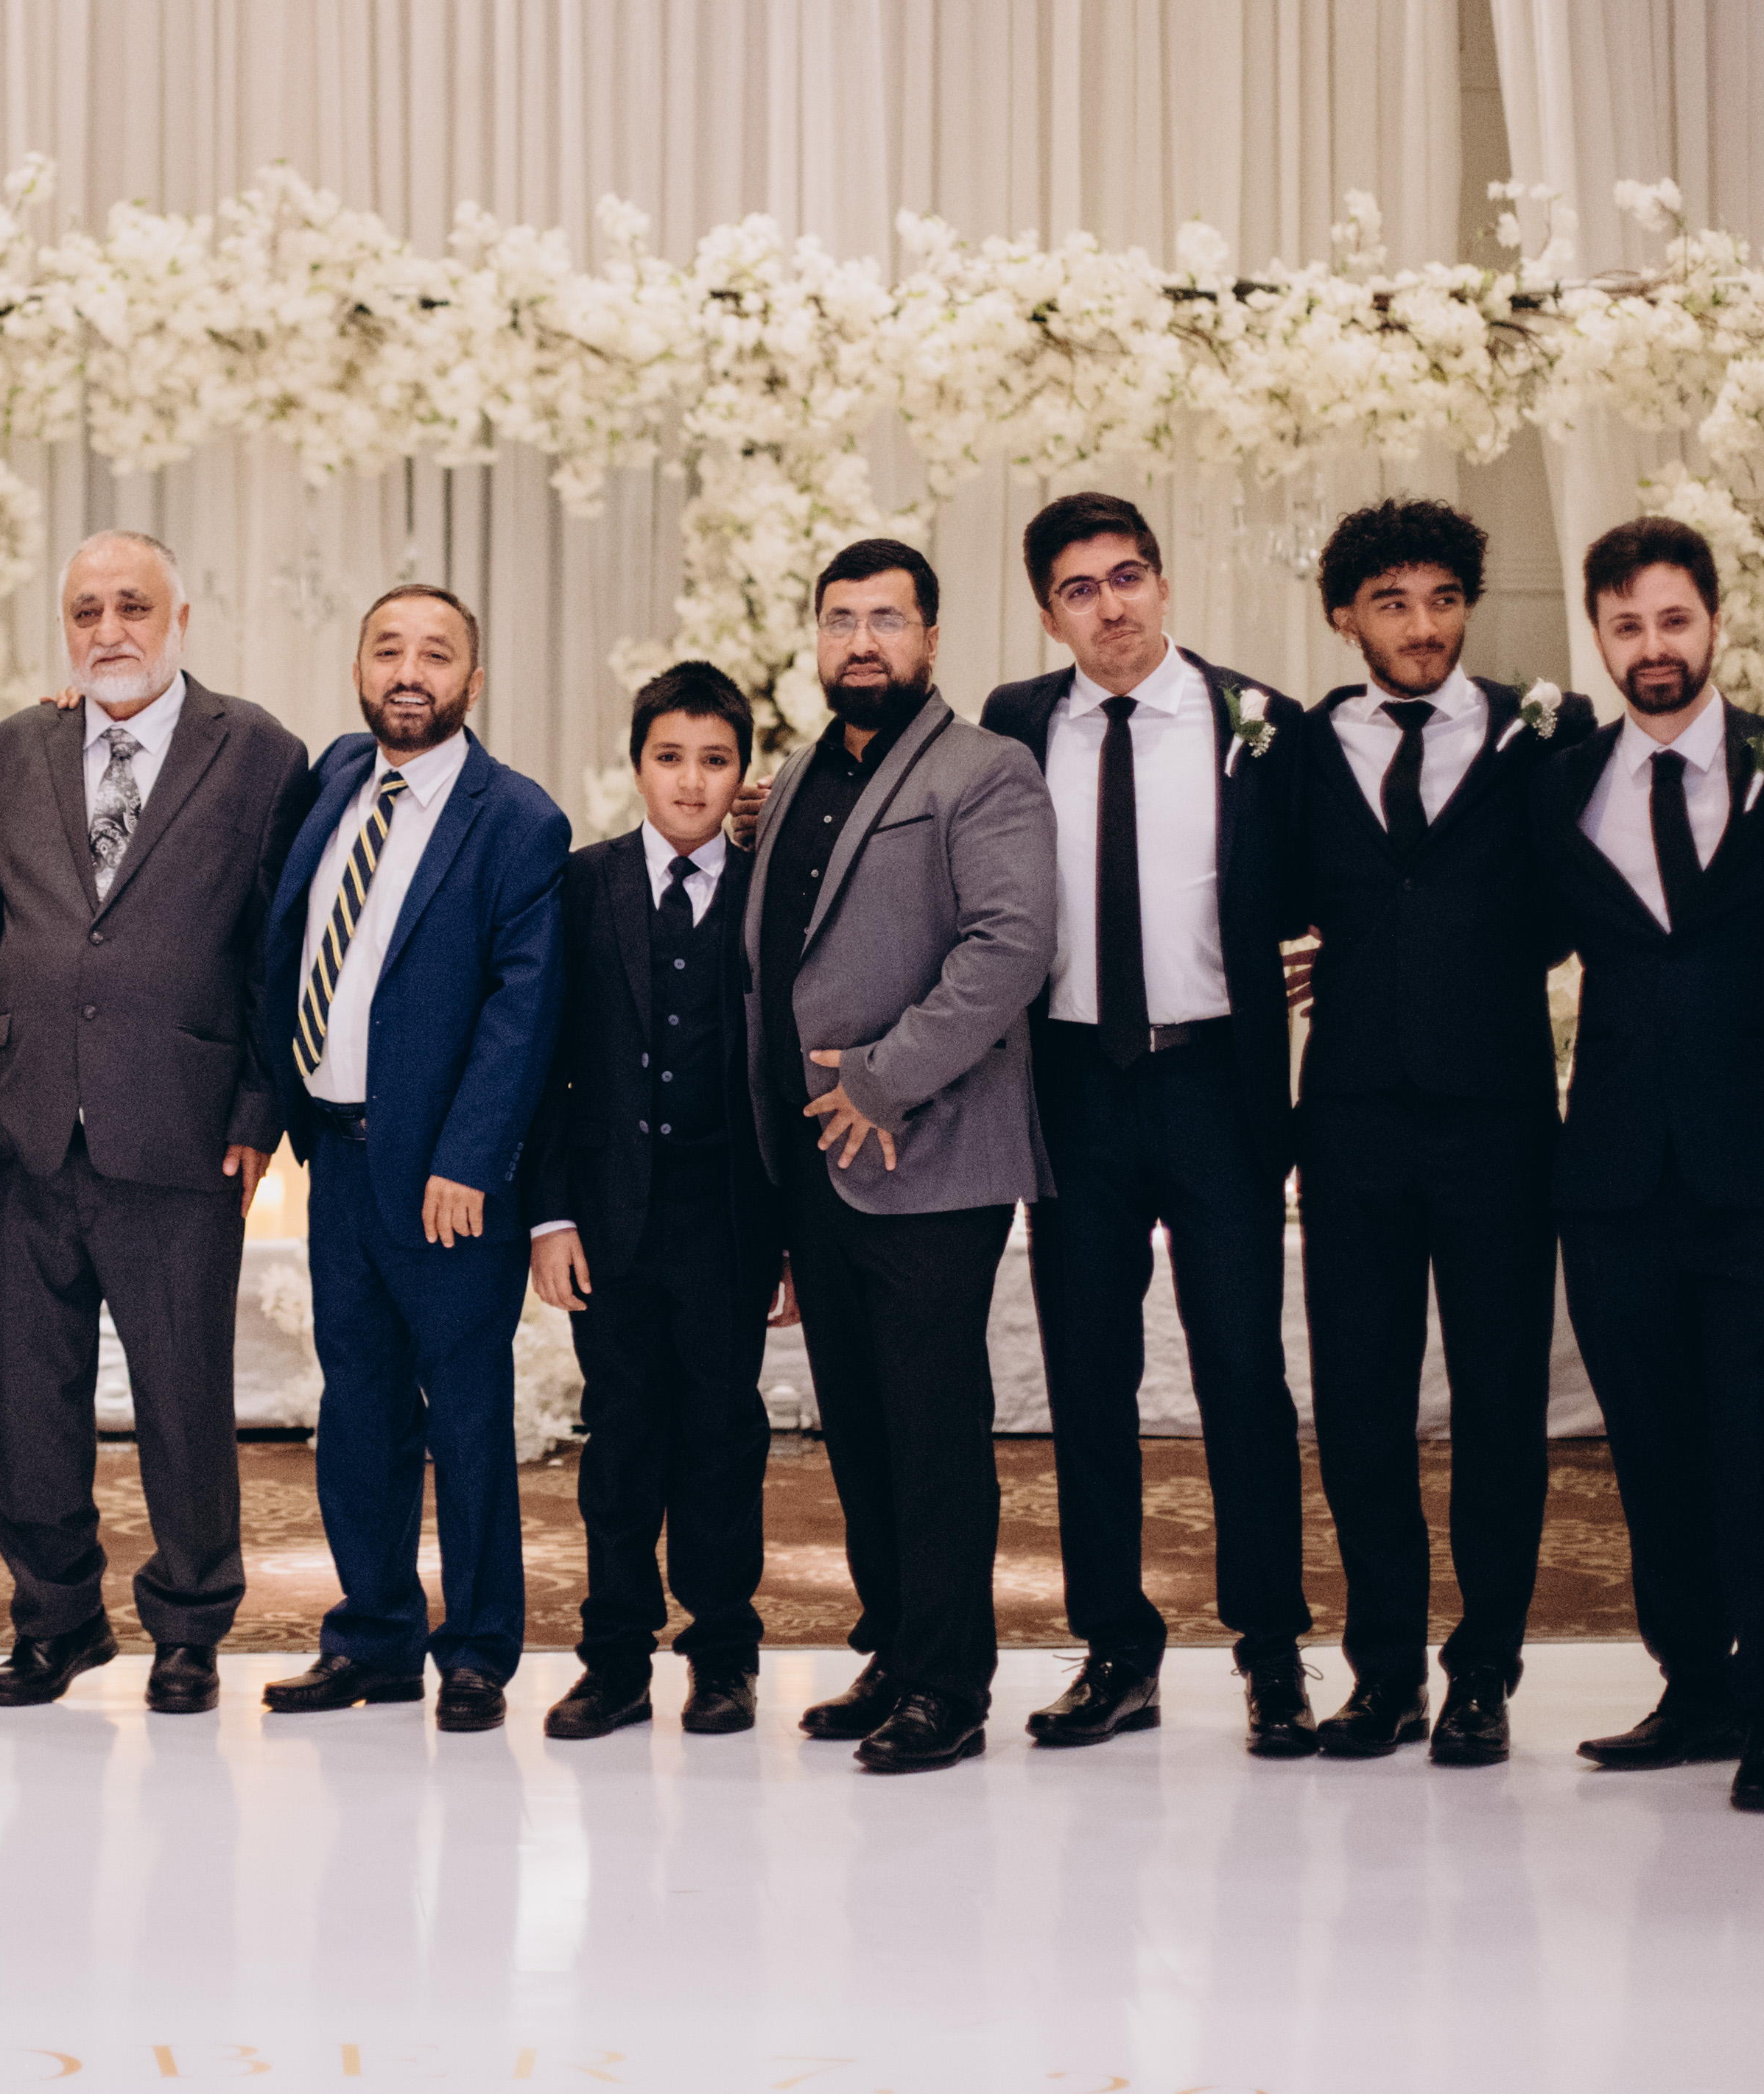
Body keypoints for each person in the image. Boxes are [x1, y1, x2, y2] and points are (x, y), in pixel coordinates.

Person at [0, 531, 315, 1714]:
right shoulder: (13, 748)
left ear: (180, 617)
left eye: (132, 606)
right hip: (26, 1123)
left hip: (183, 1132)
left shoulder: (259, 753)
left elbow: (278, 950)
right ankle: (56, 1620)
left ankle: (190, 1625)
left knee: (182, 1398)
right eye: (86, 610)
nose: (109, 630)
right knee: (31, 1402)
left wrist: (259, 1108)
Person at [983, 492, 1315, 1759]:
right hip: (1071, 1086)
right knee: (1087, 1378)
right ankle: (1115, 1651)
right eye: (1079, 589)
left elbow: (1340, 872)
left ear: (1162, 585)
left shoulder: (1258, 721)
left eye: (1127, 577)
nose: (1109, 606)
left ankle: (1270, 1650)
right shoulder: (1015, 724)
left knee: (1241, 1372)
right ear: (1048, 614)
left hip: (1214, 1083)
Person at [1537, 516, 1764, 1812]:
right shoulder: (1558, 780)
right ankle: (1692, 1686)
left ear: (1713, 621)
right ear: (1598, 638)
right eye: (1626, 626)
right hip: (1611, 1168)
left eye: (1672, 620)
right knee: (1650, 1442)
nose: (1651, 647)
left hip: (1759, 1160)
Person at [1285, 500, 1591, 1766]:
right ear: (1343, 617)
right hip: (1350, 1120)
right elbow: (1265, 890)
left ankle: (1483, 1675)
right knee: (1358, 1404)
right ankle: (1383, 1673)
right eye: (1392, 604)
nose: (1421, 627)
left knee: (1500, 1404)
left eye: (1442, 601)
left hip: (1497, 1120)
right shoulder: (1299, 746)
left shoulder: (1545, 732)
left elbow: (1584, 892)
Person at [748, 538, 1058, 1776]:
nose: (861, 641)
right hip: (811, 1158)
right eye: (840, 620)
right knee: (860, 1425)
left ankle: (948, 1684)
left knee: (931, 1427)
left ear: (931, 638)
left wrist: (881, 1076)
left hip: (928, 1147)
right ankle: (894, 1646)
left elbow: (1010, 943)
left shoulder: (985, 769)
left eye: (886, 619)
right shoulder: (794, 775)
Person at [256, 588, 571, 1734]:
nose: (407, 671)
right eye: (387, 649)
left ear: (470, 683)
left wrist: (470, 1160)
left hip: (447, 1183)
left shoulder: (518, 820)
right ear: (357, 667)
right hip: (336, 1162)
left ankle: (478, 1650)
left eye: (435, 655)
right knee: (358, 1412)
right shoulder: (335, 778)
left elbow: (521, 1013)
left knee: (467, 1419)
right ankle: (374, 1637)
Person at [527, 660, 790, 1740]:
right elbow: (543, 1058)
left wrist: (787, 1240)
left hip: (727, 1218)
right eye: (670, 758)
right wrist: (548, 1216)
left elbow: (785, 1072)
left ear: (742, 774)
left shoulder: (772, 891)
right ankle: (615, 1660)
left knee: (723, 1434)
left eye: (714, 761)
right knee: (621, 1437)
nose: (690, 782)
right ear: (636, 765)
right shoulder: (580, 885)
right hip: (608, 1219)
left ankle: (723, 1655)